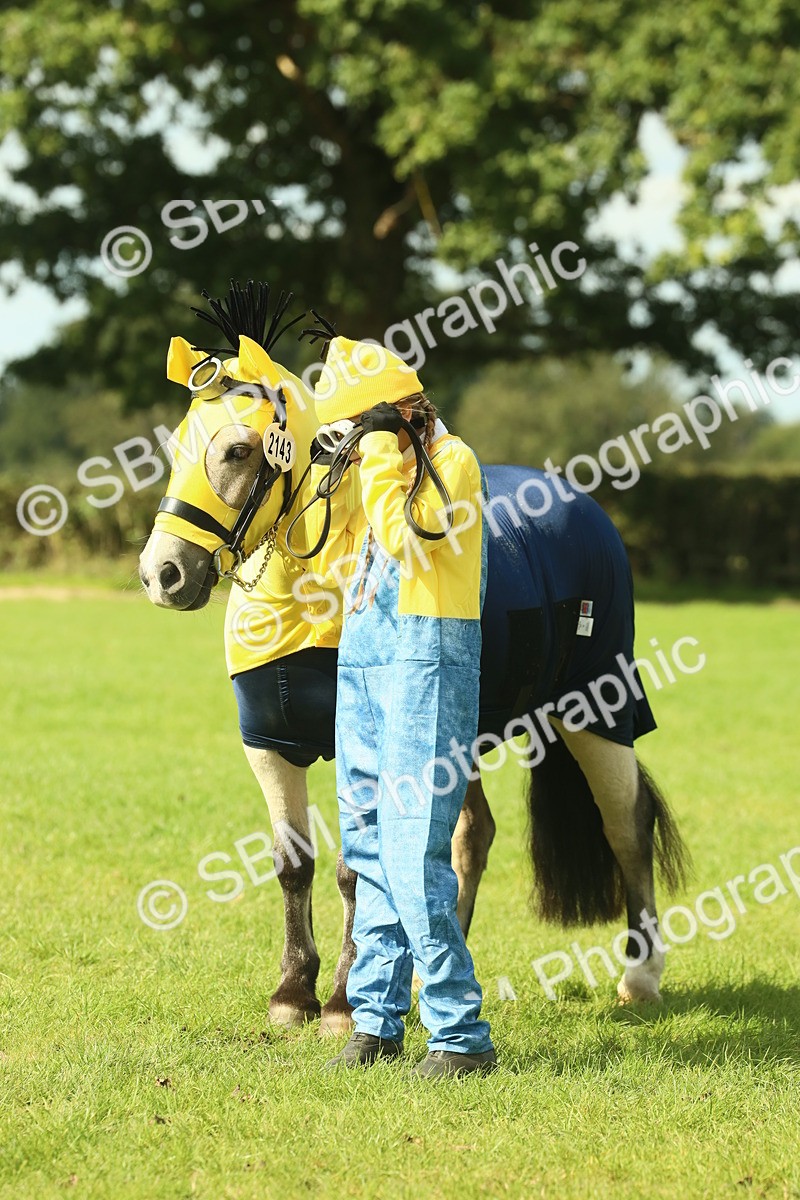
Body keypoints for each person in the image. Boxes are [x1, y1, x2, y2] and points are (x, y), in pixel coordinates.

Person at [306, 336, 496, 1078]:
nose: (350, 450)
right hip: (365, 664)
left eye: (358, 430)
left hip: (429, 665)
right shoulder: (371, 473)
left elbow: (406, 540)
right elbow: (334, 554)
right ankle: (377, 1021)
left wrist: (384, 448)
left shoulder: (454, 464)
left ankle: (460, 1036)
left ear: (399, 415)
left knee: (414, 853)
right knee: (367, 846)